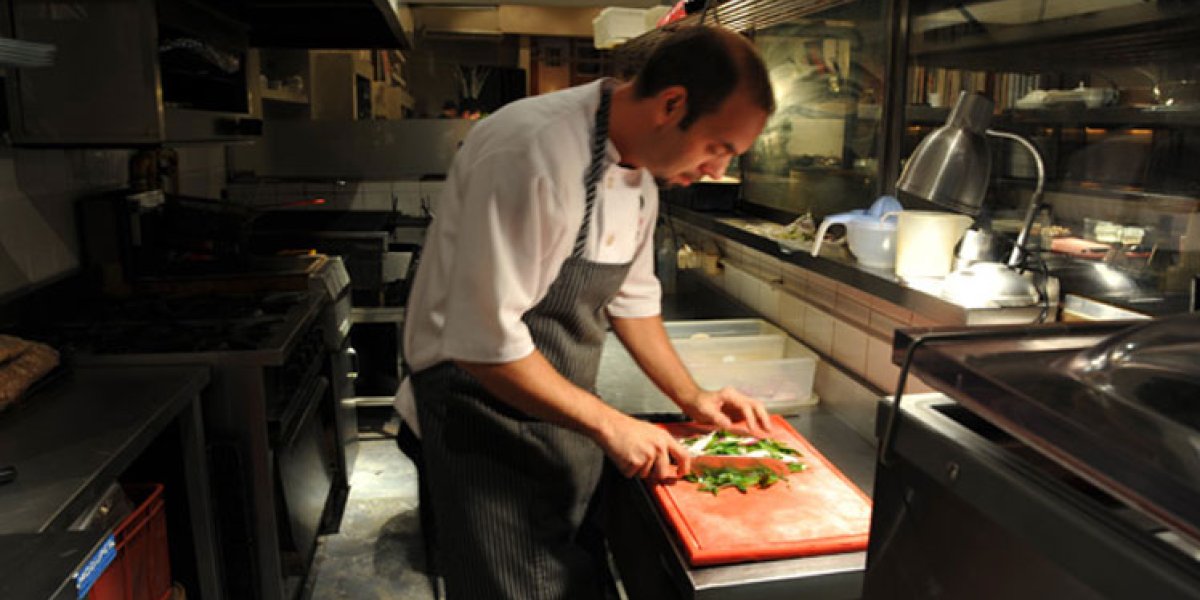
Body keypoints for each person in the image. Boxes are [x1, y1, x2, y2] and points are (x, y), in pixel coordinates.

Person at [394, 25, 776, 600]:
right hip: (476, 419)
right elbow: (482, 343)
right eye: (718, 147)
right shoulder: (531, 151)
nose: (718, 171)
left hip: (557, 414)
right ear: (672, 105)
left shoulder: (642, 175)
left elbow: (634, 300)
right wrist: (610, 423)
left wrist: (691, 397)